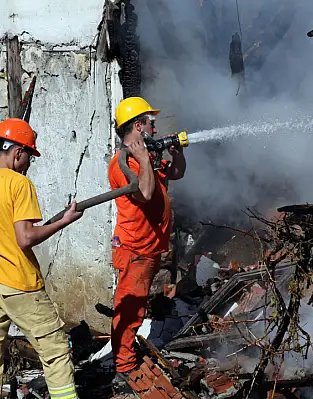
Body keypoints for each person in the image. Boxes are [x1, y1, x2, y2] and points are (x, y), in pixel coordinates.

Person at [0, 117, 84, 399]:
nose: (27, 166)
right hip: (18, 283)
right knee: (55, 350)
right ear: (18, 153)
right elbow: (25, 238)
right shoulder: (18, 185)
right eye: (28, 159)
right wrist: (65, 220)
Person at [107, 97, 186, 381]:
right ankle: (124, 367)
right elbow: (146, 193)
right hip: (134, 247)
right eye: (150, 122)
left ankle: (128, 359)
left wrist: (176, 153)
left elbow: (174, 173)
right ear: (138, 126)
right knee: (130, 307)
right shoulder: (123, 163)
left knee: (142, 305)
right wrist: (143, 160)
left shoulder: (148, 156)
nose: (155, 126)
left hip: (152, 246)